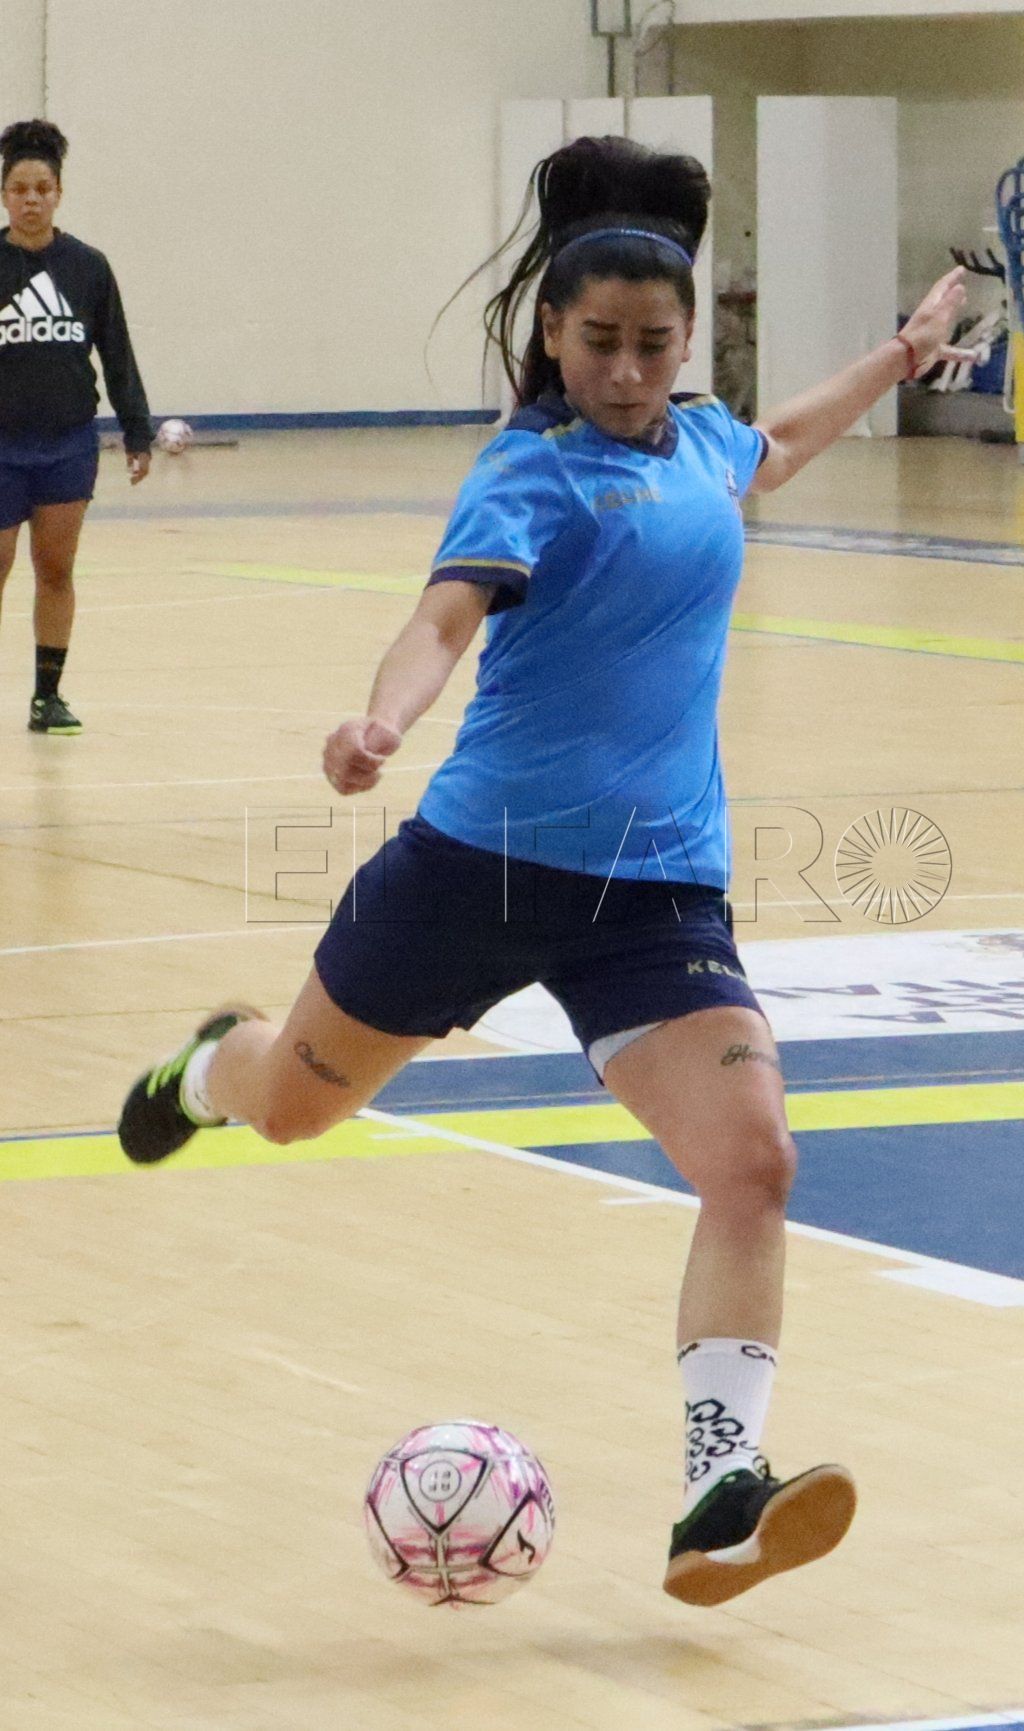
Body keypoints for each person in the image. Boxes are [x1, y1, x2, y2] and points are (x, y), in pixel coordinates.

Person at [117, 136, 968, 1605]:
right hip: (476, 867)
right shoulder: (530, 472)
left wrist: (894, 356)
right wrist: (383, 713)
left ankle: (715, 1490)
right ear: (553, 340)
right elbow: (445, 618)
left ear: (686, 338)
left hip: (656, 889)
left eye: (653, 344)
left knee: (752, 1158)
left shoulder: (702, 441)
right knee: (294, 1110)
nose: (627, 371)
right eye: (599, 346)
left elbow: (779, 446)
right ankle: (212, 1065)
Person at [0, 119, 153, 735]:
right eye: (18, 188)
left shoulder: (87, 267)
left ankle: (48, 696)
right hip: (1, 447)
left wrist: (137, 432)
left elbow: (116, 353)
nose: (31, 198)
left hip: (67, 445)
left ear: (59, 192)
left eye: (42, 187)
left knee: (56, 570)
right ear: (5, 194)